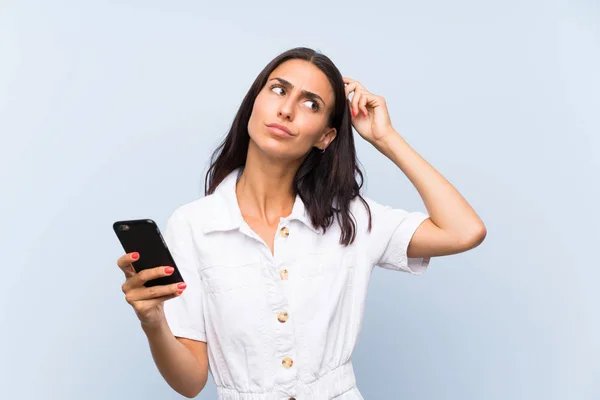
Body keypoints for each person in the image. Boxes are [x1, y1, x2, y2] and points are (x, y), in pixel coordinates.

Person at [115, 47, 486, 399]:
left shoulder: (350, 219)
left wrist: (385, 138)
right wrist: (153, 321)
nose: (287, 110)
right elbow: (190, 382)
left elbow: (464, 231)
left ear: (326, 136)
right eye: (278, 90)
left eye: (311, 103)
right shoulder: (193, 225)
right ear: (253, 105)